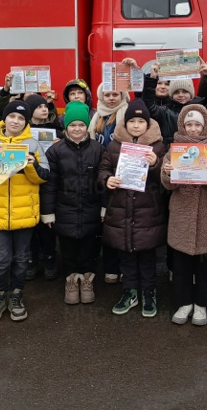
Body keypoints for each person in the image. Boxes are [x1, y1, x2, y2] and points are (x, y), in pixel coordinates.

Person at [0, 100, 50, 323]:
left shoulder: (33, 145)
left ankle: (16, 295)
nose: (16, 121)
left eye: (21, 118)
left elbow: (44, 176)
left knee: (21, 259)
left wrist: (30, 164)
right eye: (12, 117)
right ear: (4, 119)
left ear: (26, 122)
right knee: (0, 259)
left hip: (25, 213)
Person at [99, 99, 167, 317]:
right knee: (126, 256)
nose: (136, 125)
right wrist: (106, 179)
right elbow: (103, 168)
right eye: (132, 121)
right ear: (125, 123)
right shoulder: (113, 145)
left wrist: (156, 163)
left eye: (141, 121)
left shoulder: (158, 146)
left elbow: (167, 179)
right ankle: (129, 292)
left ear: (148, 124)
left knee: (147, 258)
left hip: (148, 212)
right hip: (120, 210)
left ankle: (149, 292)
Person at [161, 104, 207, 326]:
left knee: (205, 266)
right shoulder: (174, 149)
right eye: (188, 124)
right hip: (181, 214)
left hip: (206, 214)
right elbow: (168, 185)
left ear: (205, 125)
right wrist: (166, 173)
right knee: (181, 266)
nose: (192, 129)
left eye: (197, 124)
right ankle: (183, 302)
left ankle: (201, 304)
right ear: (182, 124)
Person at [42, 101, 107, 305]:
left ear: (87, 126)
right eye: (72, 125)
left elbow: (104, 180)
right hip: (65, 209)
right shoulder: (55, 151)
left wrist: (104, 206)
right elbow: (50, 184)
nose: (77, 129)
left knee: (90, 246)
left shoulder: (98, 149)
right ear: (66, 127)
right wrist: (48, 212)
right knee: (68, 248)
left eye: (81, 125)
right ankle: (71, 280)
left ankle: (87, 280)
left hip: (91, 208)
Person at [88, 83, 129, 285]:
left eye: (116, 94)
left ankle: (122, 267)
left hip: (122, 175)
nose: (111, 98)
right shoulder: (97, 116)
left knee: (121, 224)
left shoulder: (126, 114)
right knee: (107, 223)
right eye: (107, 94)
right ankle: (110, 266)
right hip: (101, 175)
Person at [142, 57, 207, 146]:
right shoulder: (164, 112)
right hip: (171, 157)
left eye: (184, 91)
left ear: (191, 94)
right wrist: (152, 78)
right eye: (176, 92)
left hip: (199, 156)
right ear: (171, 95)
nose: (180, 95)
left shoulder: (201, 109)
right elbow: (148, 104)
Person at [25, 93, 62, 281]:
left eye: (45, 106)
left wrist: (59, 143)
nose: (44, 109)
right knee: (31, 223)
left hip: (48, 180)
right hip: (28, 181)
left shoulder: (55, 129)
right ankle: (31, 260)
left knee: (47, 223)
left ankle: (49, 258)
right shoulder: (23, 131)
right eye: (39, 107)